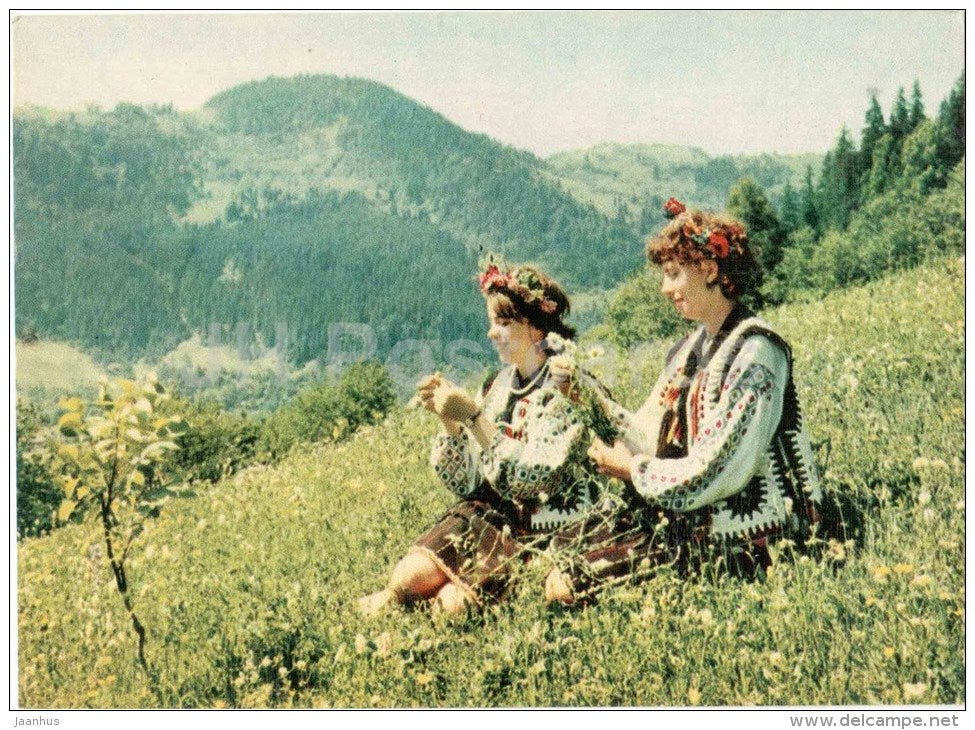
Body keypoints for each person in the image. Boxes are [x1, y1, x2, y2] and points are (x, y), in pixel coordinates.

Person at [545, 198, 823, 604]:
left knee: (568, 583)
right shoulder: (689, 349)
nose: (665, 289)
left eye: (674, 274)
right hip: (691, 507)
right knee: (558, 550)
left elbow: (720, 469)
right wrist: (587, 397)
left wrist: (632, 470)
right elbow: (646, 432)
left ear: (709, 270)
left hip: (752, 525)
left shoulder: (757, 350)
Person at [358, 261, 601, 615]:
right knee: (406, 577)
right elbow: (468, 483)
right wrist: (450, 421)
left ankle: (424, 611)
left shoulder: (567, 387)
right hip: (492, 514)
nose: (491, 333)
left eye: (503, 323)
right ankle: (401, 600)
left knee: (452, 606)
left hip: (546, 525)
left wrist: (474, 419)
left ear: (535, 326)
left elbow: (534, 478)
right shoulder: (497, 385)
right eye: (491, 322)